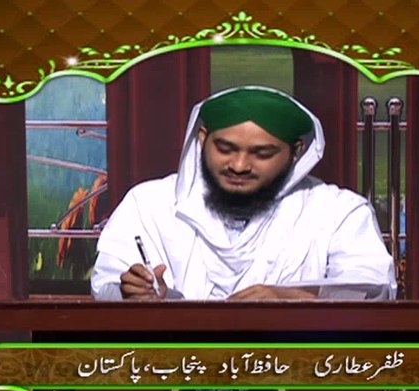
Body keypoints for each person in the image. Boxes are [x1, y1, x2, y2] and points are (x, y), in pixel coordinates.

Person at [91, 86, 396, 301]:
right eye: (225, 149)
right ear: (202, 138)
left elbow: (373, 290)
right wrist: (133, 292)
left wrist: (290, 299)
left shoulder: (337, 212)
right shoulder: (149, 204)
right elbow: (106, 284)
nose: (239, 166)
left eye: (261, 154)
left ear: (296, 152)